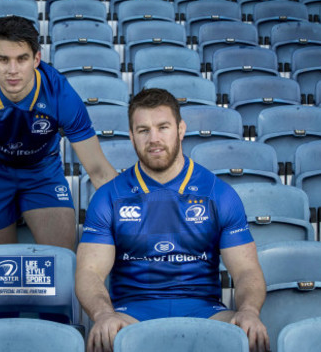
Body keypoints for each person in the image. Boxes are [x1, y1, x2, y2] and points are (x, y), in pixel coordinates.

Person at [75, 88, 270, 352]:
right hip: (131, 311)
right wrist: (103, 315)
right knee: (104, 338)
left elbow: (247, 271)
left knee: (250, 336)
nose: (153, 139)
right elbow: (89, 273)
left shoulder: (218, 194)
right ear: (131, 136)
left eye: (162, 127)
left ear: (180, 129)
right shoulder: (109, 197)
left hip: (204, 310)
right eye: (143, 130)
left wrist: (248, 310)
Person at [0, 16, 118, 249]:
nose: (13, 70)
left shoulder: (61, 95)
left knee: (62, 258)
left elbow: (98, 170)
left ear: (37, 59)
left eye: (22, 59)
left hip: (41, 171)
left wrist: (137, 215)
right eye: (4, 60)